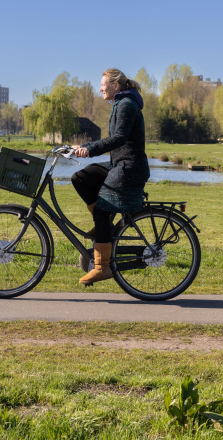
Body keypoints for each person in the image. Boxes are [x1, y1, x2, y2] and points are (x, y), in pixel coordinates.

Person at [71, 68, 150, 286]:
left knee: (102, 208)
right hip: (120, 164)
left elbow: (118, 139)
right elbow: (113, 138)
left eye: (103, 84)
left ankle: (102, 268)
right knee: (81, 177)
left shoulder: (125, 104)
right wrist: (84, 146)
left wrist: (90, 150)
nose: (100, 88)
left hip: (130, 168)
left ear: (115, 85)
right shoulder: (121, 103)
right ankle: (103, 225)